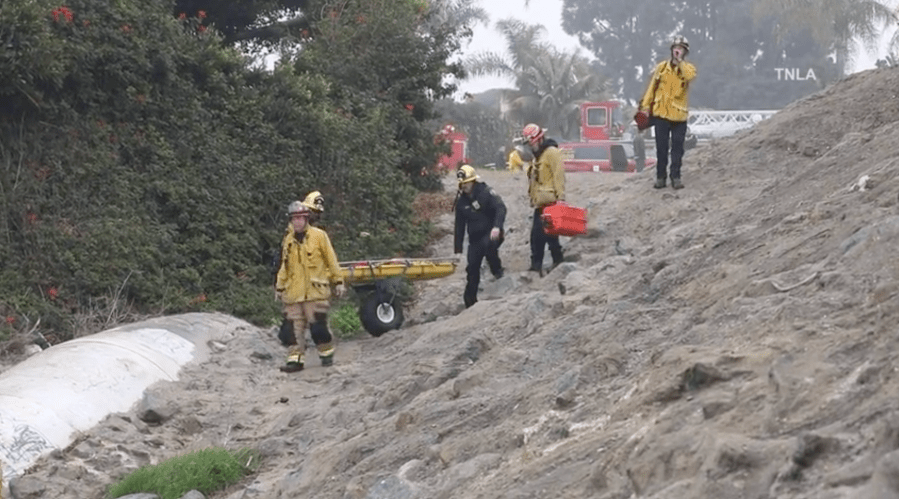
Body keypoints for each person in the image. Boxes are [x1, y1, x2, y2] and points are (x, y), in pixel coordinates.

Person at [275, 200, 345, 372]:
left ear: (306, 219)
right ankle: (295, 361)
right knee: (292, 330)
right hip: (293, 293)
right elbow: (285, 266)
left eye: (300, 218)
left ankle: (326, 356)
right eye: (294, 218)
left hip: (315, 292)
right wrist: (279, 287)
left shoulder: (319, 236)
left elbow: (331, 260)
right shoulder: (288, 240)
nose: (297, 222)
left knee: (318, 329)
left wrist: (338, 281)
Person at [639, 35, 697, 190]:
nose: (677, 51)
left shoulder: (688, 68)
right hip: (661, 114)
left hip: (679, 115)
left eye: (681, 49)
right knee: (661, 148)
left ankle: (676, 176)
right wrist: (644, 107)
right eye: (675, 48)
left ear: (685, 52)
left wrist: (680, 63)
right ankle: (660, 177)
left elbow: (689, 76)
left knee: (678, 148)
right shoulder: (662, 68)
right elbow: (652, 87)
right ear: (671, 50)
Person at [454, 165, 507, 308]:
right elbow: (459, 227)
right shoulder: (461, 203)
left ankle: (498, 271)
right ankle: (470, 303)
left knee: (489, 248)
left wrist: (497, 227)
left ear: (472, 181)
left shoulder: (486, 192)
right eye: (461, 184)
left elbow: (500, 208)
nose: (463, 186)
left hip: (491, 233)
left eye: (466, 183)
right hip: (474, 239)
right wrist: (458, 251)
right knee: (472, 268)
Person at [522, 123, 565, 273]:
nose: (529, 146)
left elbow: (558, 175)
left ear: (538, 139)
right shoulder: (538, 156)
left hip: (550, 202)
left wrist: (560, 198)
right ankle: (539, 266)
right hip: (540, 203)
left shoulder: (552, 153)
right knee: (537, 237)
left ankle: (556, 264)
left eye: (530, 142)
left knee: (549, 235)